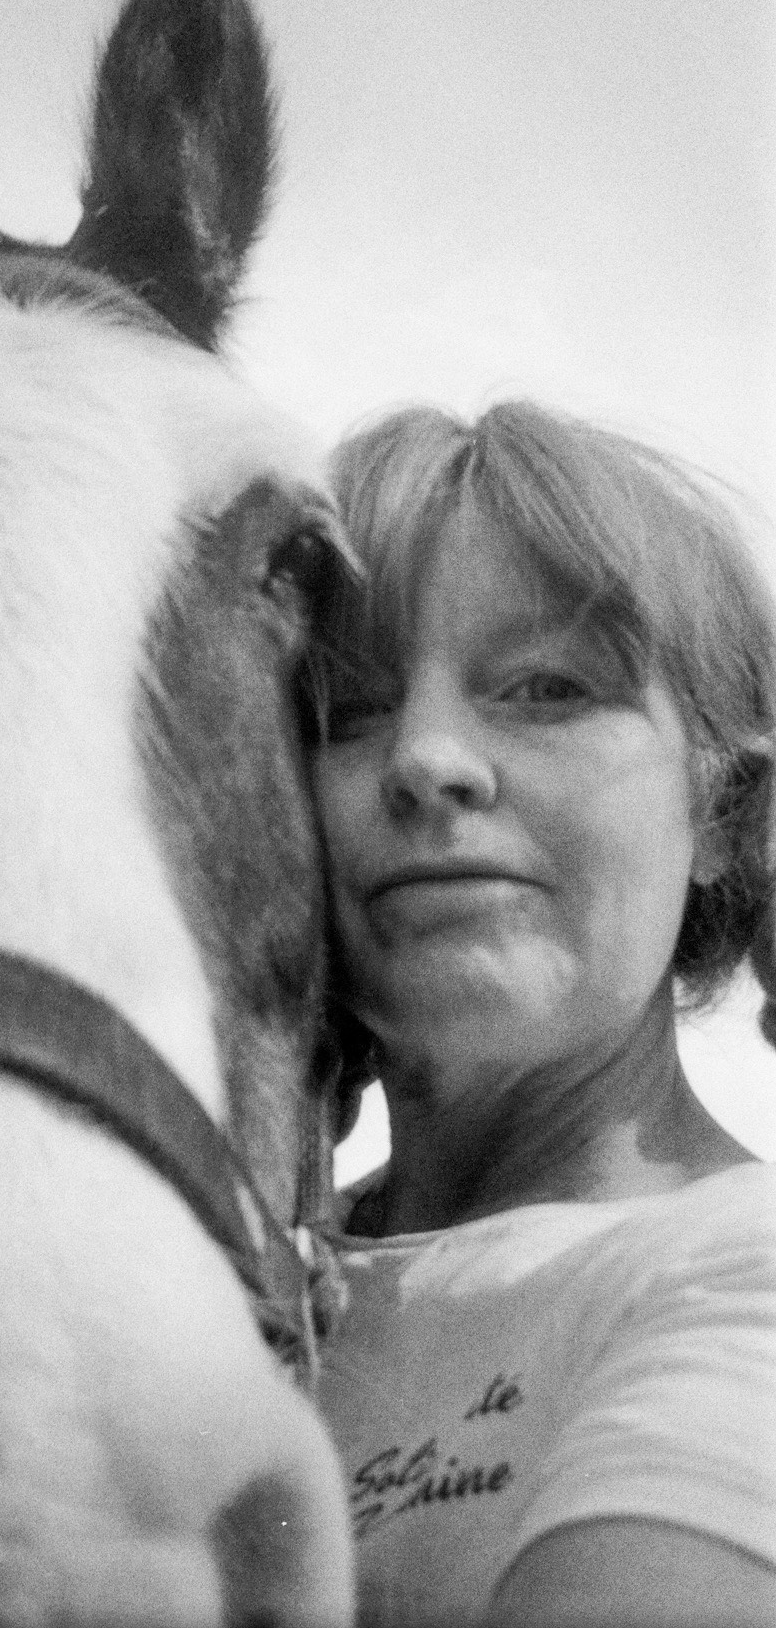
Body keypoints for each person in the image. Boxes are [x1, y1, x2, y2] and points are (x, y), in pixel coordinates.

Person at [305, 400, 776, 1626]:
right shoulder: (177, 1284)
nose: (424, 757)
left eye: (547, 688)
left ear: (723, 814)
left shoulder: (746, 1269)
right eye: (342, 711)